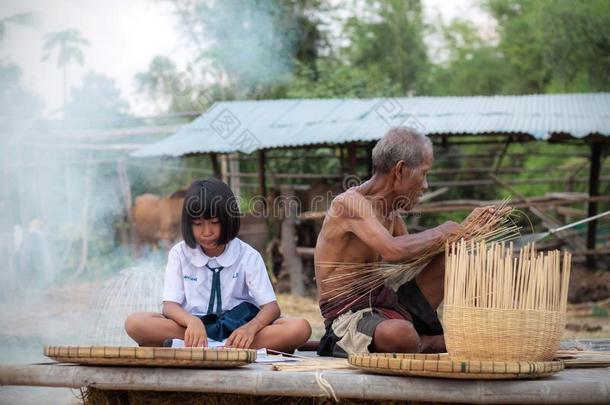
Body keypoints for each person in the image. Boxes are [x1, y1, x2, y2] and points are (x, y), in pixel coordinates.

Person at [315, 127, 503, 357]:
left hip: (387, 308)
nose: (425, 185)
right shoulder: (350, 204)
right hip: (349, 319)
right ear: (401, 170)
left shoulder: (392, 215)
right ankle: (425, 343)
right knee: (401, 335)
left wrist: (466, 233)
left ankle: (495, 327)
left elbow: (411, 256)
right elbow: (393, 250)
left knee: (452, 257)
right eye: (423, 174)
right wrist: (445, 231)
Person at [125, 178, 311, 351]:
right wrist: (192, 322)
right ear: (188, 225)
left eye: (214, 223)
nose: (206, 232)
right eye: (198, 224)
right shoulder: (179, 253)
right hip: (191, 329)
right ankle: (210, 344)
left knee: (299, 328)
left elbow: (271, 307)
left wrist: (250, 329)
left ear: (228, 219)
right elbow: (170, 306)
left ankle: (215, 346)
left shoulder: (248, 255)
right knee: (135, 323)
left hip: (239, 329)